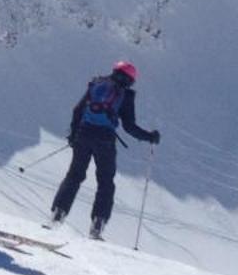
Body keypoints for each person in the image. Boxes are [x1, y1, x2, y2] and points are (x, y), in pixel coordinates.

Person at [50, 61, 159, 239]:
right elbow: (129, 126)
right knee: (105, 182)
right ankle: (97, 225)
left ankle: (58, 214)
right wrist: (150, 137)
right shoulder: (125, 95)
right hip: (105, 140)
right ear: (131, 79)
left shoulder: (96, 84)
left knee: (74, 175)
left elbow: (77, 109)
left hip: (84, 134)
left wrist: (73, 134)